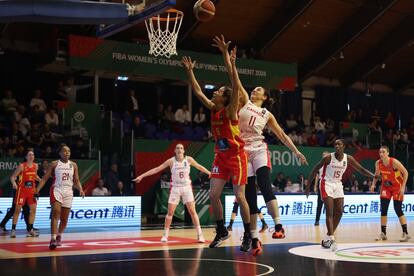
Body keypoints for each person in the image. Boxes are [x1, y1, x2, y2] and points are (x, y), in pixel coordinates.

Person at [213, 35, 307, 250]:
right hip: (241, 152)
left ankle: (279, 226)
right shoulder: (244, 100)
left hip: (258, 150)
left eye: (258, 90)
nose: (254, 90)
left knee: (265, 185)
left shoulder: (267, 114)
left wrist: (297, 152)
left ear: (264, 97)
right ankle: (254, 238)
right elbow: (233, 78)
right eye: (254, 88)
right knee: (249, 196)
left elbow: (282, 136)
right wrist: (228, 58)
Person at [182, 54, 252, 252]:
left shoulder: (230, 112)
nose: (214, 92)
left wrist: (230, 62)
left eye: (219, 91)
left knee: (240, 196)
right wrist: (189, 71)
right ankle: (221, 230)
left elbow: (236, 88)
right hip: (221, 157)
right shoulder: (214, 108)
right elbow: (197, 91)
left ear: (227, 98)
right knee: (213, 195)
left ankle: (248, 234)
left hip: (237, 157)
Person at [133, 143, 210, 243]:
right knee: (170, 213)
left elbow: (199, 167)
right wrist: (142, 176)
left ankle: (200, 235)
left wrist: (209, 173)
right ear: (175, 150)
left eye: (181, 148)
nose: (179, 149)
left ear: (184, 151)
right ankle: (165, 235)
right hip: (175, 188)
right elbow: (157, 169)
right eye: (178, 148)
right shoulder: (171, 161)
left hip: (186, 187)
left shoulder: (189, 159)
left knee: (192, 211)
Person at [306, 139, 374, 251]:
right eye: (335, 144)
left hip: (337, 184)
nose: (337, 146)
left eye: (339, 144)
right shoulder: (328, 157)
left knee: (340, 212)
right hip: (326, 183)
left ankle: (328, 237)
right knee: (330, 212)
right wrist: (308, 187)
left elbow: (361, 169)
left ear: (344, 146)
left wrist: (374, 176)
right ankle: (332, 239)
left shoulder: (348, 158)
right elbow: (314, 170)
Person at [36, 144, 85, 250]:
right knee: (56, 213)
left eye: (69, 151)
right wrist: (37, 190)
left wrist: (80, 189)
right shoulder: (54, 164)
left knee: (64, 219)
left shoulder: (74, 165)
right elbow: (44, 179)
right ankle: (53, 238)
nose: (67, 152)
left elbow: (76, 180)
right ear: (60, 153)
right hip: (57, 190)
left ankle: (59, 235)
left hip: (68, 191)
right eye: (64, 151)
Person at [372, 145, 410, 242]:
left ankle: (405, 233)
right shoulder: (378, 163)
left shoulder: (394, 162)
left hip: (397, 187)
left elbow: (405, 173)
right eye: (380, 152)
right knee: (383, 210)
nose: (381, 154)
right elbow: (376, 175)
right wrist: (373, 185)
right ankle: (383, 233)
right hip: (386, 187)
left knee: (398, 209)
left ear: (388, 153)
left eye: (383, 152)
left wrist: (403, 187)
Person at [9, 150, 40, 238]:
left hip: (32, 191)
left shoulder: (36, 166)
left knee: (33, 210)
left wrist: (41, 180)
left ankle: (30, 230)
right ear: (26, 157)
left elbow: (35, 176)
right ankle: (13, 230)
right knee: (17, 210)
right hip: (22, 191)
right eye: (29, 154)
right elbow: (12, 177)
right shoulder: (22, 166)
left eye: (33, 155)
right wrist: (14, 183)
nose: (31, 156)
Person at [314, 151, 330, 226]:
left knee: (329, 205)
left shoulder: (331, 165)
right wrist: (315, 186)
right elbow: (317, 176)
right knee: (319, 204)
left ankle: (330, 221)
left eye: (325, 155)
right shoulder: (320, 165)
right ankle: (317, 221)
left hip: (329, 184)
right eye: (323, 155)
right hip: (321, 184)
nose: (324, 156)